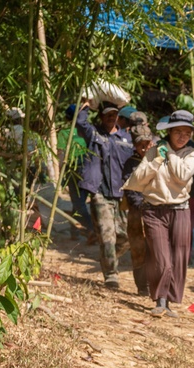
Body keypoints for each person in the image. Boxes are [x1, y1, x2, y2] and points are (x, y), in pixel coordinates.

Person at [122, 110, 194, 317]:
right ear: (169, 132)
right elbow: (138, 179)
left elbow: (183, 175)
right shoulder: (155, 150)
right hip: (153, 210)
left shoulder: (192, 154)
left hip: (180, 210)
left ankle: (170, 301)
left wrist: (170, 155)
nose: (182, 136)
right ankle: (160, 300)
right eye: (178, 132)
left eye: (187, 133)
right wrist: (157, 159)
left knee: (179, 257)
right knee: (160, 257)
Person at [76, 99, 135, 289]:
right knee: (107, 235)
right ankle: (111, 274)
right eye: (107, 114)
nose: (111, 117)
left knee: (126, 237)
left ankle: (107, 258)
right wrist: (84, 106)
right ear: (101, 116)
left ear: (118, 116)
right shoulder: (94, 134)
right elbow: (79, 122)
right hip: (100, 193)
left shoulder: (126, 139)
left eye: (114, 114)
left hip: (122, 194)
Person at [121, 123, 156, 297]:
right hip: (137, 214)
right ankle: (142, 286)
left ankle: (156, 284)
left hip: (157, 211)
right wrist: (142, 205)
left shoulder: (157, 160)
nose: (144, 147)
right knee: (138, 250)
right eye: (140, 144)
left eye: (147, 143)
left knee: (155, 249)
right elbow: (130, 190)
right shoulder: (130, 164)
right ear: (135, 145)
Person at [57, 104, 92, 240]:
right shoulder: (88, 132)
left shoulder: (64, 133)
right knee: (79, 201)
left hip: (73, 168)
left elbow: (61, 154)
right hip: (87, 168)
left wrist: (61, 172)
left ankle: (89, 229)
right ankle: (78, 231)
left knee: (78, 202)